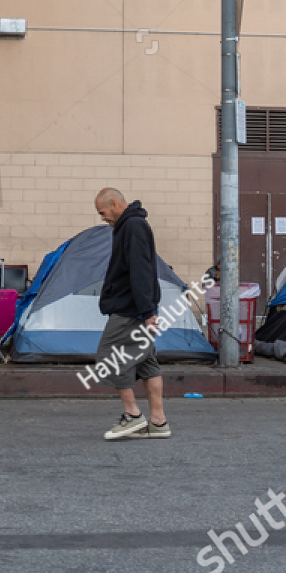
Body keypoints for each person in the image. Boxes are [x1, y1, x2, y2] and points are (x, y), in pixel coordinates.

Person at [93, 187, 168, 441]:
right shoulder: (131, 225)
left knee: (108, 356)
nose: (102, 217)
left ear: (115, 204)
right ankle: (158, 422)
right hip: (138, 307)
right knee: (147, 363)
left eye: (102, 212)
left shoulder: (133, 226)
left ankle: (133, 416)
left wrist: (147, 311)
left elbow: (140, 270)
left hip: (130, 309)